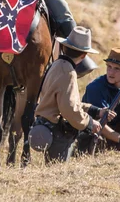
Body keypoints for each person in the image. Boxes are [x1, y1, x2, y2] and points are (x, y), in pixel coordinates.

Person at [29, 27, 106, 163]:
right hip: (59, 132)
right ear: (83, 55)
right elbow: (68, 108)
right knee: (56, 173)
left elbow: (62, 101)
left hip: (49, 127)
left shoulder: (57, 65)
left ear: (64, 47)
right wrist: (89, 123)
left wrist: (95, 111)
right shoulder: (68, 72)